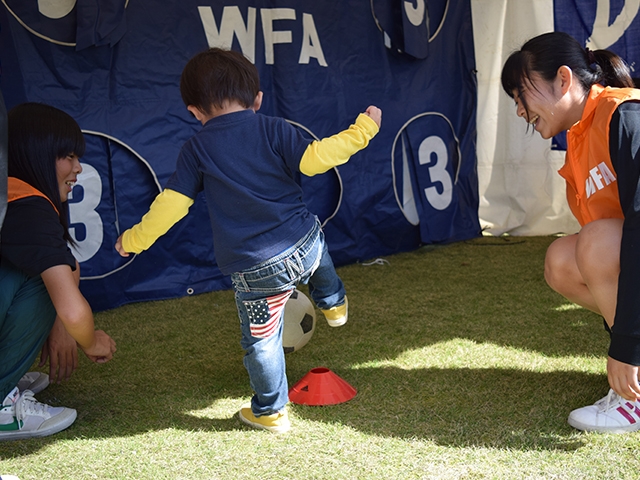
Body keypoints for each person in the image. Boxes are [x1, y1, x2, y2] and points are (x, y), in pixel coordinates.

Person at [115, 47, 381, 433]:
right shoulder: (275, 127)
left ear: (194, 111)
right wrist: (364, 129)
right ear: (257, 99)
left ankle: (271, 411)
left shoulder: (196, 149)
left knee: (263, 341)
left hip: (256, 270)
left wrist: (133, 240)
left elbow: (171, 206)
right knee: (318, 247)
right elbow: (317, 159)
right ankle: (333, 302)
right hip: (303, 242)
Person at [501, 31, 640, 433]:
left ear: (563, 79)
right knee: (562, 260)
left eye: (521, 95)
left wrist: (627, 346)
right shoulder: (580, 140)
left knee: (596, 243)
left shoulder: (625, 115)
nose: (519, 111)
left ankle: (634, 396)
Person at [0, 103, 117, 441]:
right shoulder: (28, 205)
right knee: (45, 282)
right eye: (67, 156)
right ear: (35, 155)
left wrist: (60, 327)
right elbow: (69, 304)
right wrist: (90, 340)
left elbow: (69, 265)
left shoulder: (13, 194)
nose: (78, 168)